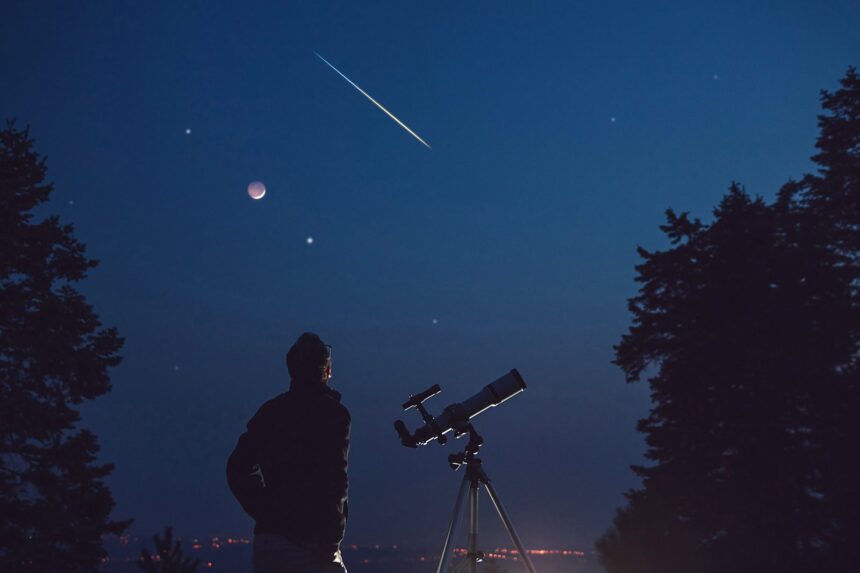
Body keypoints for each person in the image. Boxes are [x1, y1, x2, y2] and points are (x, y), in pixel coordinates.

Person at [227, 332, 350, 572]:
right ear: (326, 370)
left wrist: (267, 511)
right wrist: (330, 540)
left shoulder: (270, 413)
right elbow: (335, 481)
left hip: (270, 544)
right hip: (311, 545)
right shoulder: (333, 415)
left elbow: (237, 468)